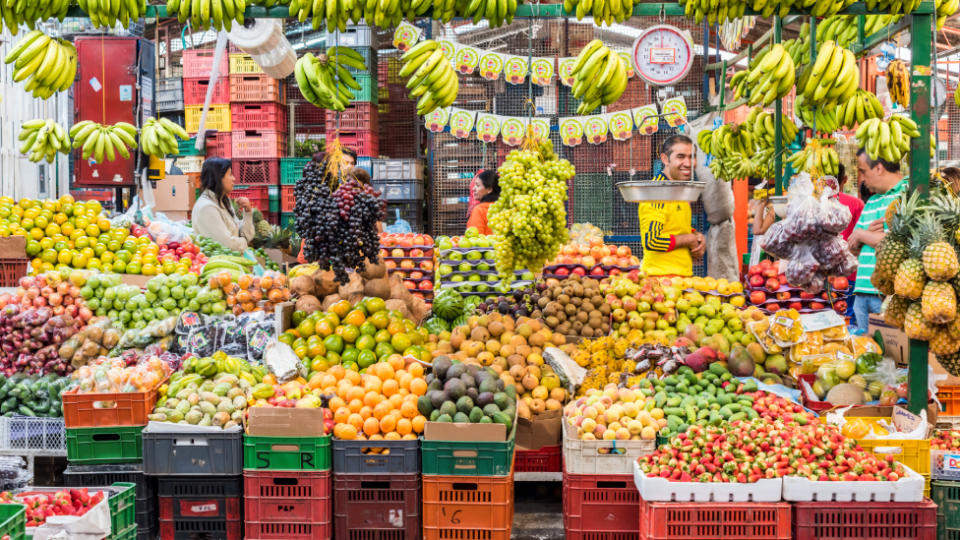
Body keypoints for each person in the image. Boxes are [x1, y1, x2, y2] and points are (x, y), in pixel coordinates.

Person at [847, 149, 909, 333]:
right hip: (861, 293)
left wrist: (862, 235)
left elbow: (897, 244)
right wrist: (864, 236)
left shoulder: (906, 195)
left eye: (863, 171)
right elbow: (852, 247)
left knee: (892, 355)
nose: (863, 179)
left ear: (879, 169)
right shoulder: (872, 201)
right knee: (865, 353)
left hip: (888, 298)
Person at [637, 135, 704, 277]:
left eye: (692, 157)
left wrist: (696, 236)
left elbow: (674, 226)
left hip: (681, 279)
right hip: (660, 280)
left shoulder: (678, 190)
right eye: (681, 156)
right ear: (665, 159)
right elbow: (653, 241)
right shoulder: (658, 192)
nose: (688, 163)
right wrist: (688, 239)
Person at [191, 157, 255, 252]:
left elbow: (243, 234)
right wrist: (244, 242)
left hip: (231, 259)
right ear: (218, 177)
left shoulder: (223, 201)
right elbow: (227, 244)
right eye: (230, 174)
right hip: (217, 262)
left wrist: (248, 212)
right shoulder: (207, 208)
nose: (234, 179)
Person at [836, 164, 865, 241]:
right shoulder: (856, 203)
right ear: (845, 179)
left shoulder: (814, 202)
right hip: (847, 251)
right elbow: (863, 233)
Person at [466, 169, 499, 235]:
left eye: (477, 185)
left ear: (489, 189)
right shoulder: (503, 207)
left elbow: (475, 238)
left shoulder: (479, 210)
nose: (473, 189)